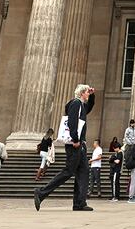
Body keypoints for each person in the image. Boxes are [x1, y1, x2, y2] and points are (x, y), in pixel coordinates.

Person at [34, 84, 95, 212]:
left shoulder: (81, 105)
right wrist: (75, 139)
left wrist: (93, 95)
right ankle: (41, 192)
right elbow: (72, 121)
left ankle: (79, 203)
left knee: (83, 172)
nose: (88, 94)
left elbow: (87, 109)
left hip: (80, 144)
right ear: (82, 93)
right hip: (75, 144)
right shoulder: (75, 104)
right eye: (87, 93)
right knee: (68, 171)